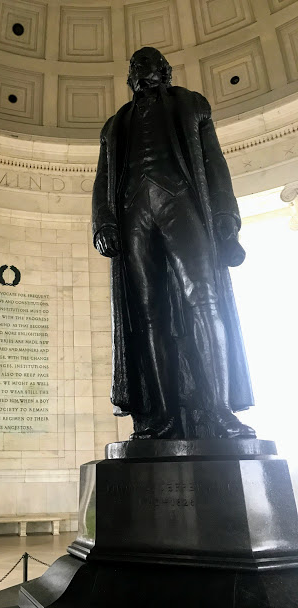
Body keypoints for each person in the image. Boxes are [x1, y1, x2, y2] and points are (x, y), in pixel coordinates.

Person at [92, 46, 256, 440]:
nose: (140, 68)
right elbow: (102, 179)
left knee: (204, 299)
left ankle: (218, 410)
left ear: (164, 70)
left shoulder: (192, 105)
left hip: (180, 201)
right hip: (132, 209)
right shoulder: (115, 125)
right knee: (147, 314)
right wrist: (103, 222)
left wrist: (225, 218)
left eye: (148, 62)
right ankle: (161, 414)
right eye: (135, 64)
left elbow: (215, 163)